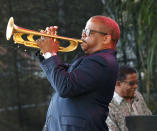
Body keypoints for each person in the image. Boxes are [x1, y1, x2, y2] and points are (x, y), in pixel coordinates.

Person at [36, 15, 120, 131]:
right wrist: (46, 52)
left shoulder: (102, 61)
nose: (83, 35)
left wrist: (50, 53)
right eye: (83, 30)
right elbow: (61, 74)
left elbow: (64, 86)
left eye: (88, 31)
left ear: (106, 39)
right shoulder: (93, 60)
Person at [106, 65, 152, 131]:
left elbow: (149, 119)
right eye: (131, 83)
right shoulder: (107, 106)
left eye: (137, 82)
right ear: (118, 84)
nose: (136, 86)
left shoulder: (137, 95)